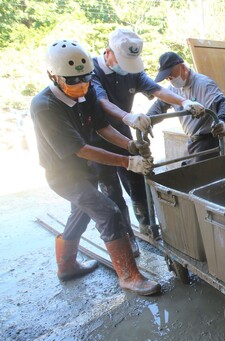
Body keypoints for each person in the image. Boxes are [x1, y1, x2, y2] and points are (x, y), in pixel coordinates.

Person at [30, 39, 160, 296]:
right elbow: (81, 148)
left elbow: (102, 127)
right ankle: (129, 276)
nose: (80, 86)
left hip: (84, 168)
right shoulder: (44, 106)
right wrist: (127, 161)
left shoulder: (86, 91)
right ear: (53, 76)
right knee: (108, 212)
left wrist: (130, 145)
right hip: (63, 174)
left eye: (85, 79)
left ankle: (66, 266)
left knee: (81, 213)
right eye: (72, 82)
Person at [91, 29, 205, 247]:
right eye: (122, 62)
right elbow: (102, 102)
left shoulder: (131, 71)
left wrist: (183, 103)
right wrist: (128, 116)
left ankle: (146, 225)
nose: (126, 68)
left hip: (124, 133)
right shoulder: (93, 72)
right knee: (111, 191)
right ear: (108, 53)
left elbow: (157, 90)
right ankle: (125, 238)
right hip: (97, 135)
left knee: (136, 178)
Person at [146, 51, 225, 163]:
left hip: (207, 141)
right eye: (167, 77)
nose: (169, 78)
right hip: (192, 141)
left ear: (183, 67)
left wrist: (223, 121)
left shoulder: (203, 84)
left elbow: (222, 103)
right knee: (187, 169)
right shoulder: (173, 88)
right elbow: (160, 105)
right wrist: (147, 120)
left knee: (199, 175)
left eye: (171, 74)